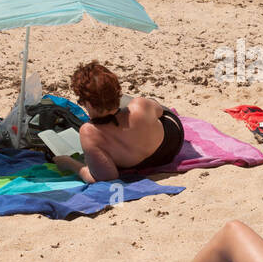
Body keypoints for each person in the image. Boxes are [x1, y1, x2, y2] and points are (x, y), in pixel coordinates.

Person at [51, 61, 185, 181]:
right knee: (149, 104)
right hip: (172, 144)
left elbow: (104, 176)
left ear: (89, 104)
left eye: (81, 101)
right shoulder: (139, 105)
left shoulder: (89, 132)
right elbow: (160, 111)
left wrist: (68, 163)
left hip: (142, 163)